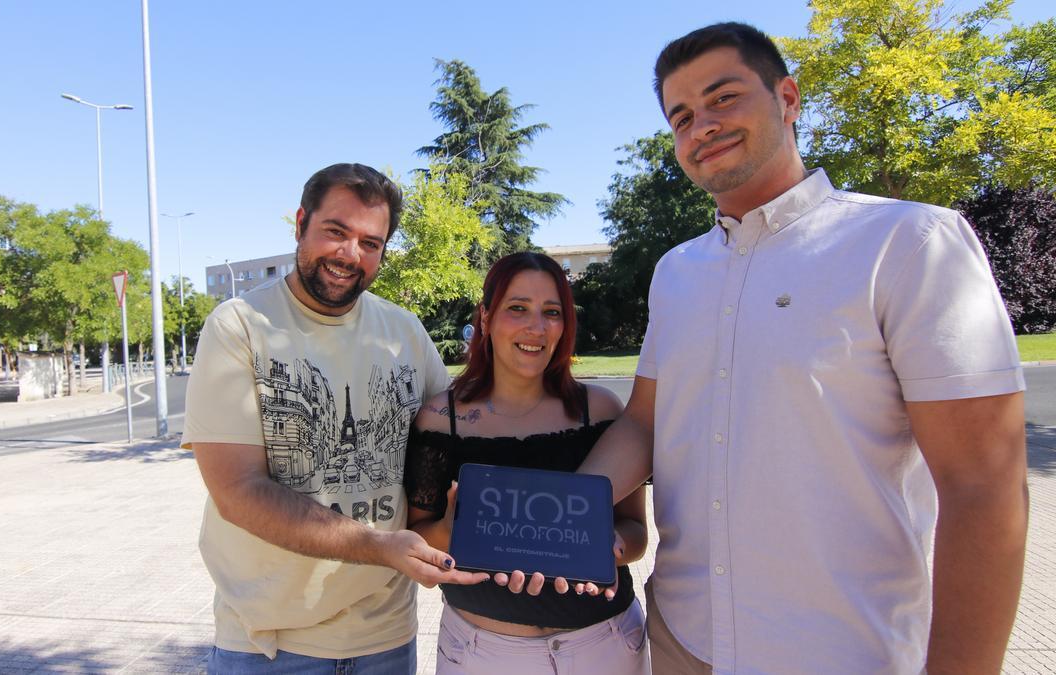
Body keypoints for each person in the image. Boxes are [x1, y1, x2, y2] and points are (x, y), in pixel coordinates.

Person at [577, 22, 1029, 674]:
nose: (701, 125)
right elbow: (646, 421)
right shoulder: (676, 271)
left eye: (723, 97)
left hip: (844, 652)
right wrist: (551, 518)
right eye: (681, 116)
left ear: (787, 98)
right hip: (683, 641)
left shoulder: (909, 243)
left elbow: (983, 485)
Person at [182, 163, 488, 674]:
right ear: (301, 222)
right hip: (269, 646)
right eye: (336, 232)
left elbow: (466, 437)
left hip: (386, 640)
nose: (351, 255)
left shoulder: (405, 333)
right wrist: (377, 545)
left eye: (372, 242)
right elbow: (236, 492)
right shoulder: (239, 326)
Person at [406, 251, 650, 674]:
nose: (536, 327)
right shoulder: (441, 420)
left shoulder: (602, 411)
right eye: (517, 308)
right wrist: (450, 531)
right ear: (485, 317)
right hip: (479, 654)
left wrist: (605, 546)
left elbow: (637, 534)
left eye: (551, 312)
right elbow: (418, 535)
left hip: (604, 647)